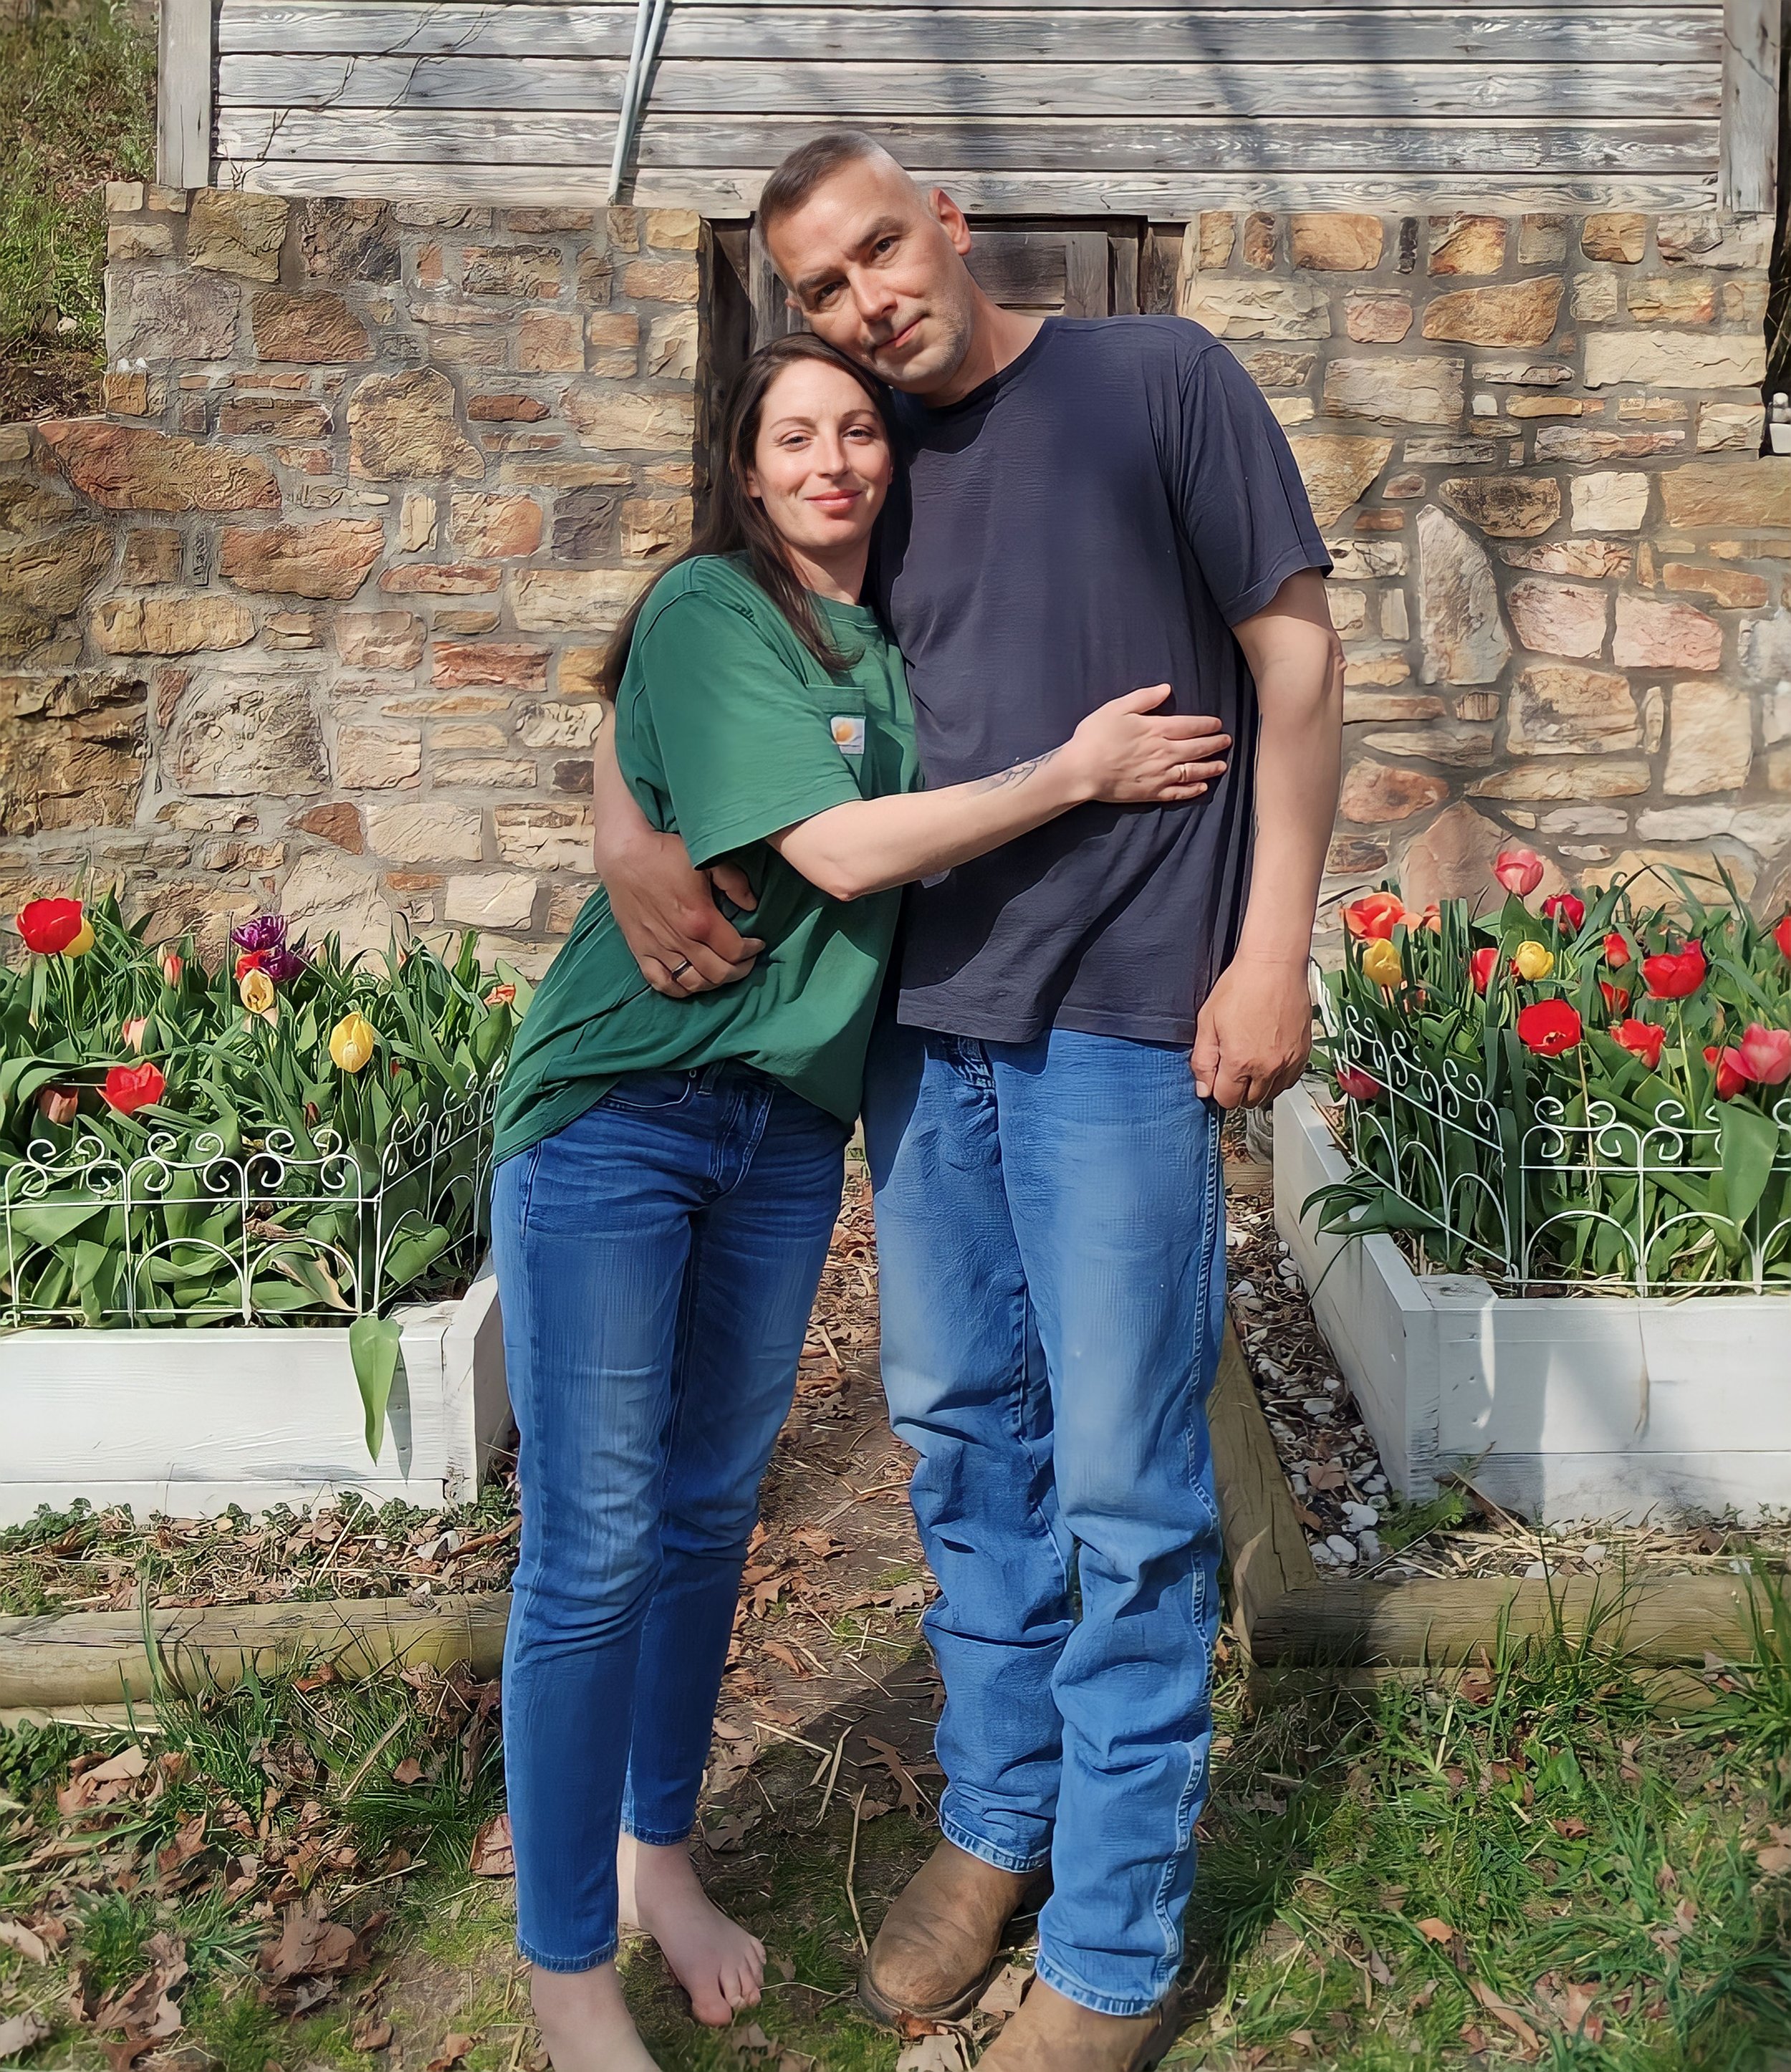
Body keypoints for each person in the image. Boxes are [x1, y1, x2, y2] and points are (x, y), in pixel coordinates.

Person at [590, 137, 1345, 2072]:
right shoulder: (857, 462)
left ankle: (1109, 1947)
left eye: (872, 253)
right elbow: (679, 632)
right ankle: (1000, 1810)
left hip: (1117, 1018)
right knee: (954, 1437)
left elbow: (1294, 654)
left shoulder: (1151, 380)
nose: (864, 305)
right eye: (824, 294)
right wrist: (618, 827)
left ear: (933, 208)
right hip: (921, 1028)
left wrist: (1271, 951)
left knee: (1122, 1479)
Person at [490, 330, 1233, 2072]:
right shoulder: (707, 603)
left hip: (776, 1135)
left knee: (700, 1524)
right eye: (793, 436)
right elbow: (830, 848)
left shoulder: (887, 649)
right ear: (742, 472)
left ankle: (656, 1856)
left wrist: (618, 800)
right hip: (617, 1111)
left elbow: (645, 737)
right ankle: (562, 1970)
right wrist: (1071, 773)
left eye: (856, 434)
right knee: (592, 1541)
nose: (833, 460)